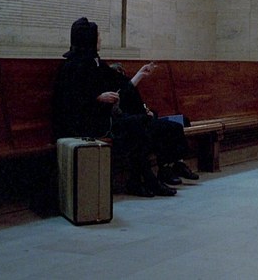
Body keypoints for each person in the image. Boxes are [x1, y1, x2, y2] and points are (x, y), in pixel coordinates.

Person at [52, 17, 175, 197]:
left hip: (101, 119)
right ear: (88, 39)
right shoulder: (71, 66)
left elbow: (119, 83)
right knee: (138, 125)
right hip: (84, 125)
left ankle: (141, 179)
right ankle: (144, 180)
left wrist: (140, 74)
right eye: (98, 36)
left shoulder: (95, 62)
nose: (100, 39)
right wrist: (97, 98)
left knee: (143, 122)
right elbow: (68, 102)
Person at [108, 62, 198, 186]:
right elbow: (121, 113)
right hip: (134, 124)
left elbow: (140, 106)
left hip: (144, 119)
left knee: (177, 125)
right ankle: (166, 169)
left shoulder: (130, 90)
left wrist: (148, 112)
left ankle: (178, 163)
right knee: (162, 131)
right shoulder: (116, 92)